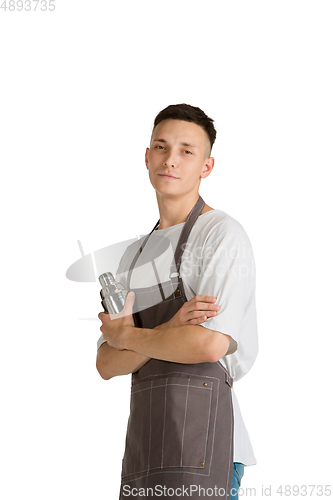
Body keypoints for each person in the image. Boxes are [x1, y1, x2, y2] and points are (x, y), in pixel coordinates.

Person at [97, 104, 258, 499]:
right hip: (144, 446)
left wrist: (128, 336)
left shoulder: (220, 235)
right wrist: (171, 329)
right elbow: (105, 363)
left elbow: (208, 344)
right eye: (161, 146)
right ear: (147, 157)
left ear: (207, 166)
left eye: (187, 150)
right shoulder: (132, 256)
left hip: (203, 443)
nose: (171, 160)